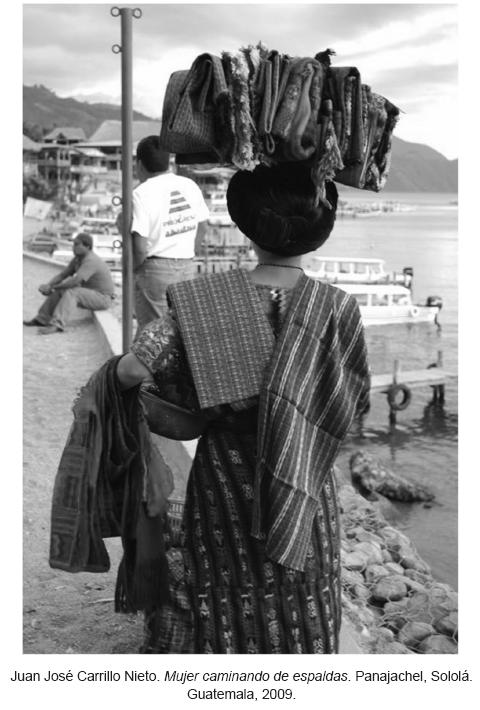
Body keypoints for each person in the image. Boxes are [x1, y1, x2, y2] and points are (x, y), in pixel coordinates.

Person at [50, 162, 370, 654]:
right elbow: (353, 404)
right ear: (319, 232)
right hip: (307, 479)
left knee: (225, 585)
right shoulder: (338, 307)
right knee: (305, 588)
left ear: (246, 226)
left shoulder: (207, 301)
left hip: (225, 478)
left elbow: (132, 370)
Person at [125, 135, 209, 335]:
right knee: (182, 334)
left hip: (155, 270)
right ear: (168, 161)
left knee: (152, 336)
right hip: (187, 267)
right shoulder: (189, 185)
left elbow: (139, 247)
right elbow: (203, 227)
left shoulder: (140, 193)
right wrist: (188, 254)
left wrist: (133, 269)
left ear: (139, 165)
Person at [23, 232, 115, 334]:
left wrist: (53, 287)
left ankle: (57, 324)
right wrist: (49, 285)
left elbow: (75, 281)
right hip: (91, 293)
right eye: (73, 244)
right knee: (60, 291)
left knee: (73, 293)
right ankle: (42, 319)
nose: (73, 247)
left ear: (87, 247)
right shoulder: (78, 259)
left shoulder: (91, 261)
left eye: (77, 244)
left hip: (103, 298)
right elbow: (63, 275)